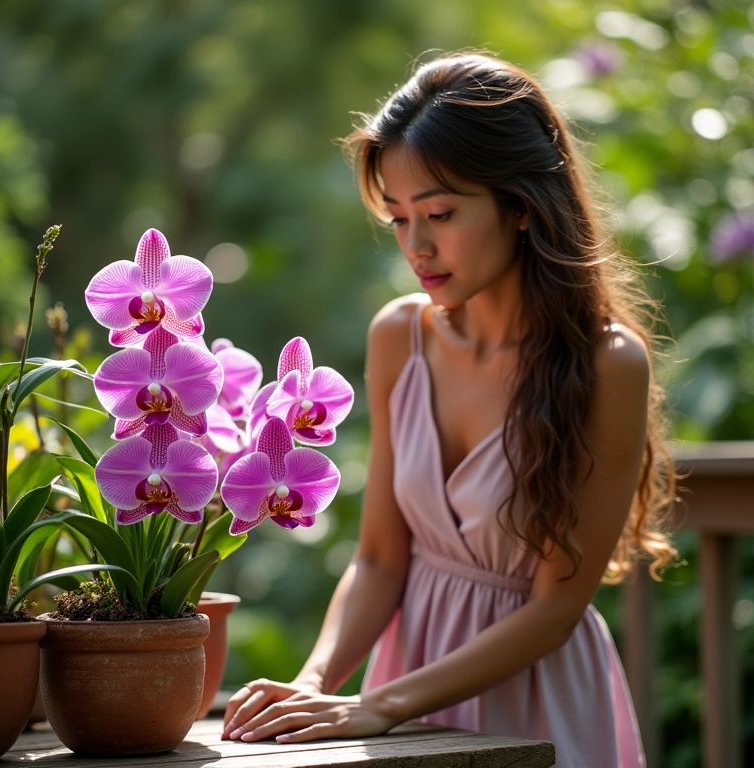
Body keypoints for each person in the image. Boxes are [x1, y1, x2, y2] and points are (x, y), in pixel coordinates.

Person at [222, 51, 677, 767]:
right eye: (399, 218)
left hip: (537, 699)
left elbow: (556, 608)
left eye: (439, 213)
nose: (417, 246)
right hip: (400, 697)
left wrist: (381, 704)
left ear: (522, 206)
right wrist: (314, 683)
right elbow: (378, 558)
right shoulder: (400, 336)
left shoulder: (605, 363)